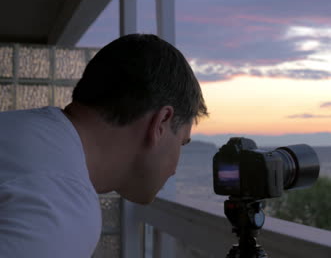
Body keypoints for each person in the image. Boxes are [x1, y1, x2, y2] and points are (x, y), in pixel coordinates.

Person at [0, 34, 208, 257]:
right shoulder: (62, 205)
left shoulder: (21, 129)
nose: (175, 168)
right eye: (182, 143)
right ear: (161, 123)